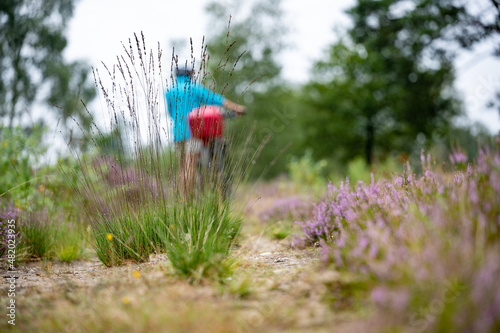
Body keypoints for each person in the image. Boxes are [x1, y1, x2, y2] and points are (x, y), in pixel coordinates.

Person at [165, 65, 245, 200]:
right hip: (194, 133)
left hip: (178, 134)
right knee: (190, 165)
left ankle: (181, 199)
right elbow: (217, 99)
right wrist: (237, 108)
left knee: (182, 166)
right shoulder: (194, 88)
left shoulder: (169, 92)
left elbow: (171, 113)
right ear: (190, 75)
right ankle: (187, 200)